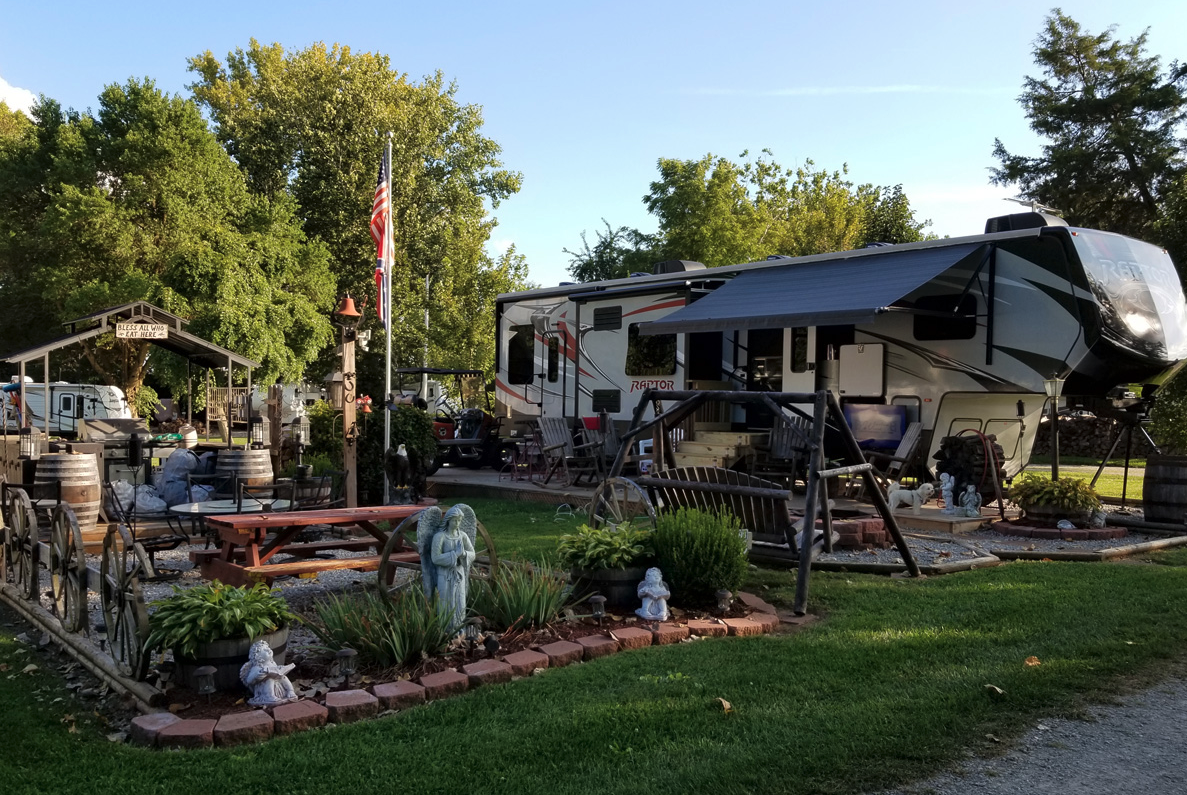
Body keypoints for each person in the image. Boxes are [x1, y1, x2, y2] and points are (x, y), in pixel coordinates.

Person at [431, 505, 476, 633]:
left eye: (459, 520)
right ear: (448, 520)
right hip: (444, 575)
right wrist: (454, 554)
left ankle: (459, 628)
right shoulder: (440, 537)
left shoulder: (463, 536)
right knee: (445, 601)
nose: (457, 523)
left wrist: (463, 554)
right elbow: (435, 558)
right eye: (454, 520)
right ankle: (445, 629)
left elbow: (473, 554)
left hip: (459, 574)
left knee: (459, 600)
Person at [239, 640, 297, 706]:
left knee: (283, 677)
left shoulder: (272, 663)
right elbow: (249, 680)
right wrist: (259, 674)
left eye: (268, 648)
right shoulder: (257, 667)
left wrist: (280, 669)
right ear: (257, 656)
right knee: (269, 680)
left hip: (276, 683)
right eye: (264, 650)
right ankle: (270, 697)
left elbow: (276, 670)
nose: (268, 650)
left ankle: (290, 691)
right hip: (263, 687)